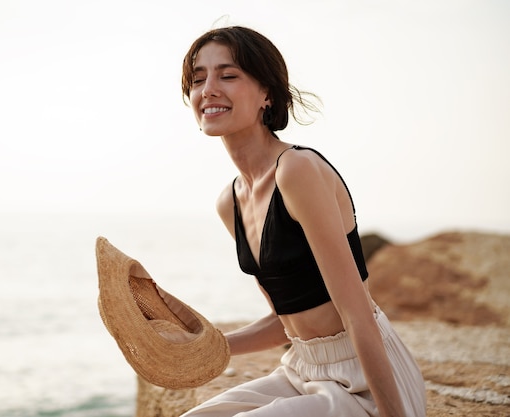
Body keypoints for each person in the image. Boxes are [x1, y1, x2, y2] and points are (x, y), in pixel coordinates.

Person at [178, 26, 426, 417]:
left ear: (267, 95)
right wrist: (210, 345)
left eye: (228, 75)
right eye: (197, 78)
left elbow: (357, 313)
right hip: (300, 370)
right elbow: (286, 320)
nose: (208, 88)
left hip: (365, 378)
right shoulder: (231, 202)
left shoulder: (297, 169)